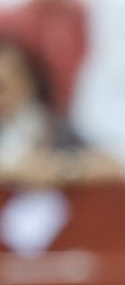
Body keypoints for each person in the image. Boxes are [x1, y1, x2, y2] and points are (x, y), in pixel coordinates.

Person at [0, 35, 118, 186]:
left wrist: (59, 170)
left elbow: (113, 166)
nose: (4, 96)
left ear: (30, 82)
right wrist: (13, 171)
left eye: (6, 85)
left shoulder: (52, 127)